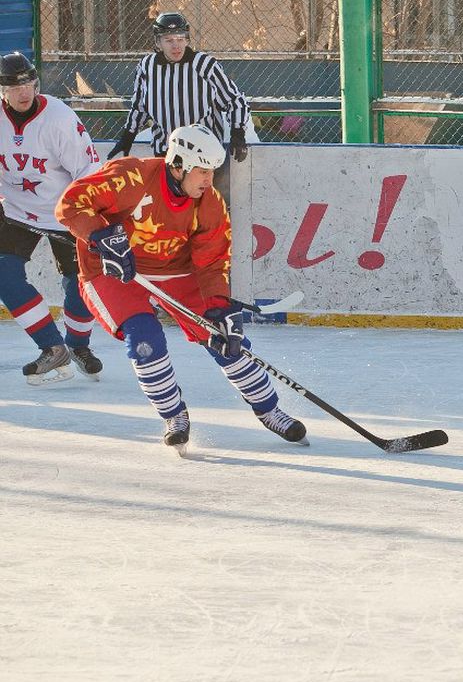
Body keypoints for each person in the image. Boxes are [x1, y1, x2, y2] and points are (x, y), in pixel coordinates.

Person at [55, 123, 306, 453]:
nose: (208, 180)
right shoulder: (130, 176)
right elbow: (70, 205)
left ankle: (270, 410)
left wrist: (219, 306)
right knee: (144, 338)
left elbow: (213, 262)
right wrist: (102, 235)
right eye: (201, 171)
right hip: (114, 272)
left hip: (175, 271)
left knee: (225, 338)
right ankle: (174, 416)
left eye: (211, 172)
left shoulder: (210, 204)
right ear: (178, 165)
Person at [0, 51, 104, 384]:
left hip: (65, 211)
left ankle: (78, 345)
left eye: (28, 83)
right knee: (4, 274)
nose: (23, 91)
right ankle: (52, 346)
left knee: (80, 282)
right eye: (14, 86)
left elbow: (88, 169)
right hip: (16, 212)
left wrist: (89, 216)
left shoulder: (58, 117)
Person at [106, 12, 250, 166]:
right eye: (168, 40)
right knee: (167, 190)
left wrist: (238, 133)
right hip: (166, 153)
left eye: (181, 39)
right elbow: (140, 106)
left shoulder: (204, 64)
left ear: (187, 40)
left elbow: (234, 100)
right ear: (158, 43)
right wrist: (127, 136)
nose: (176, 45)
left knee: (203, 190)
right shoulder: (147, 66)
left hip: (204, 153)